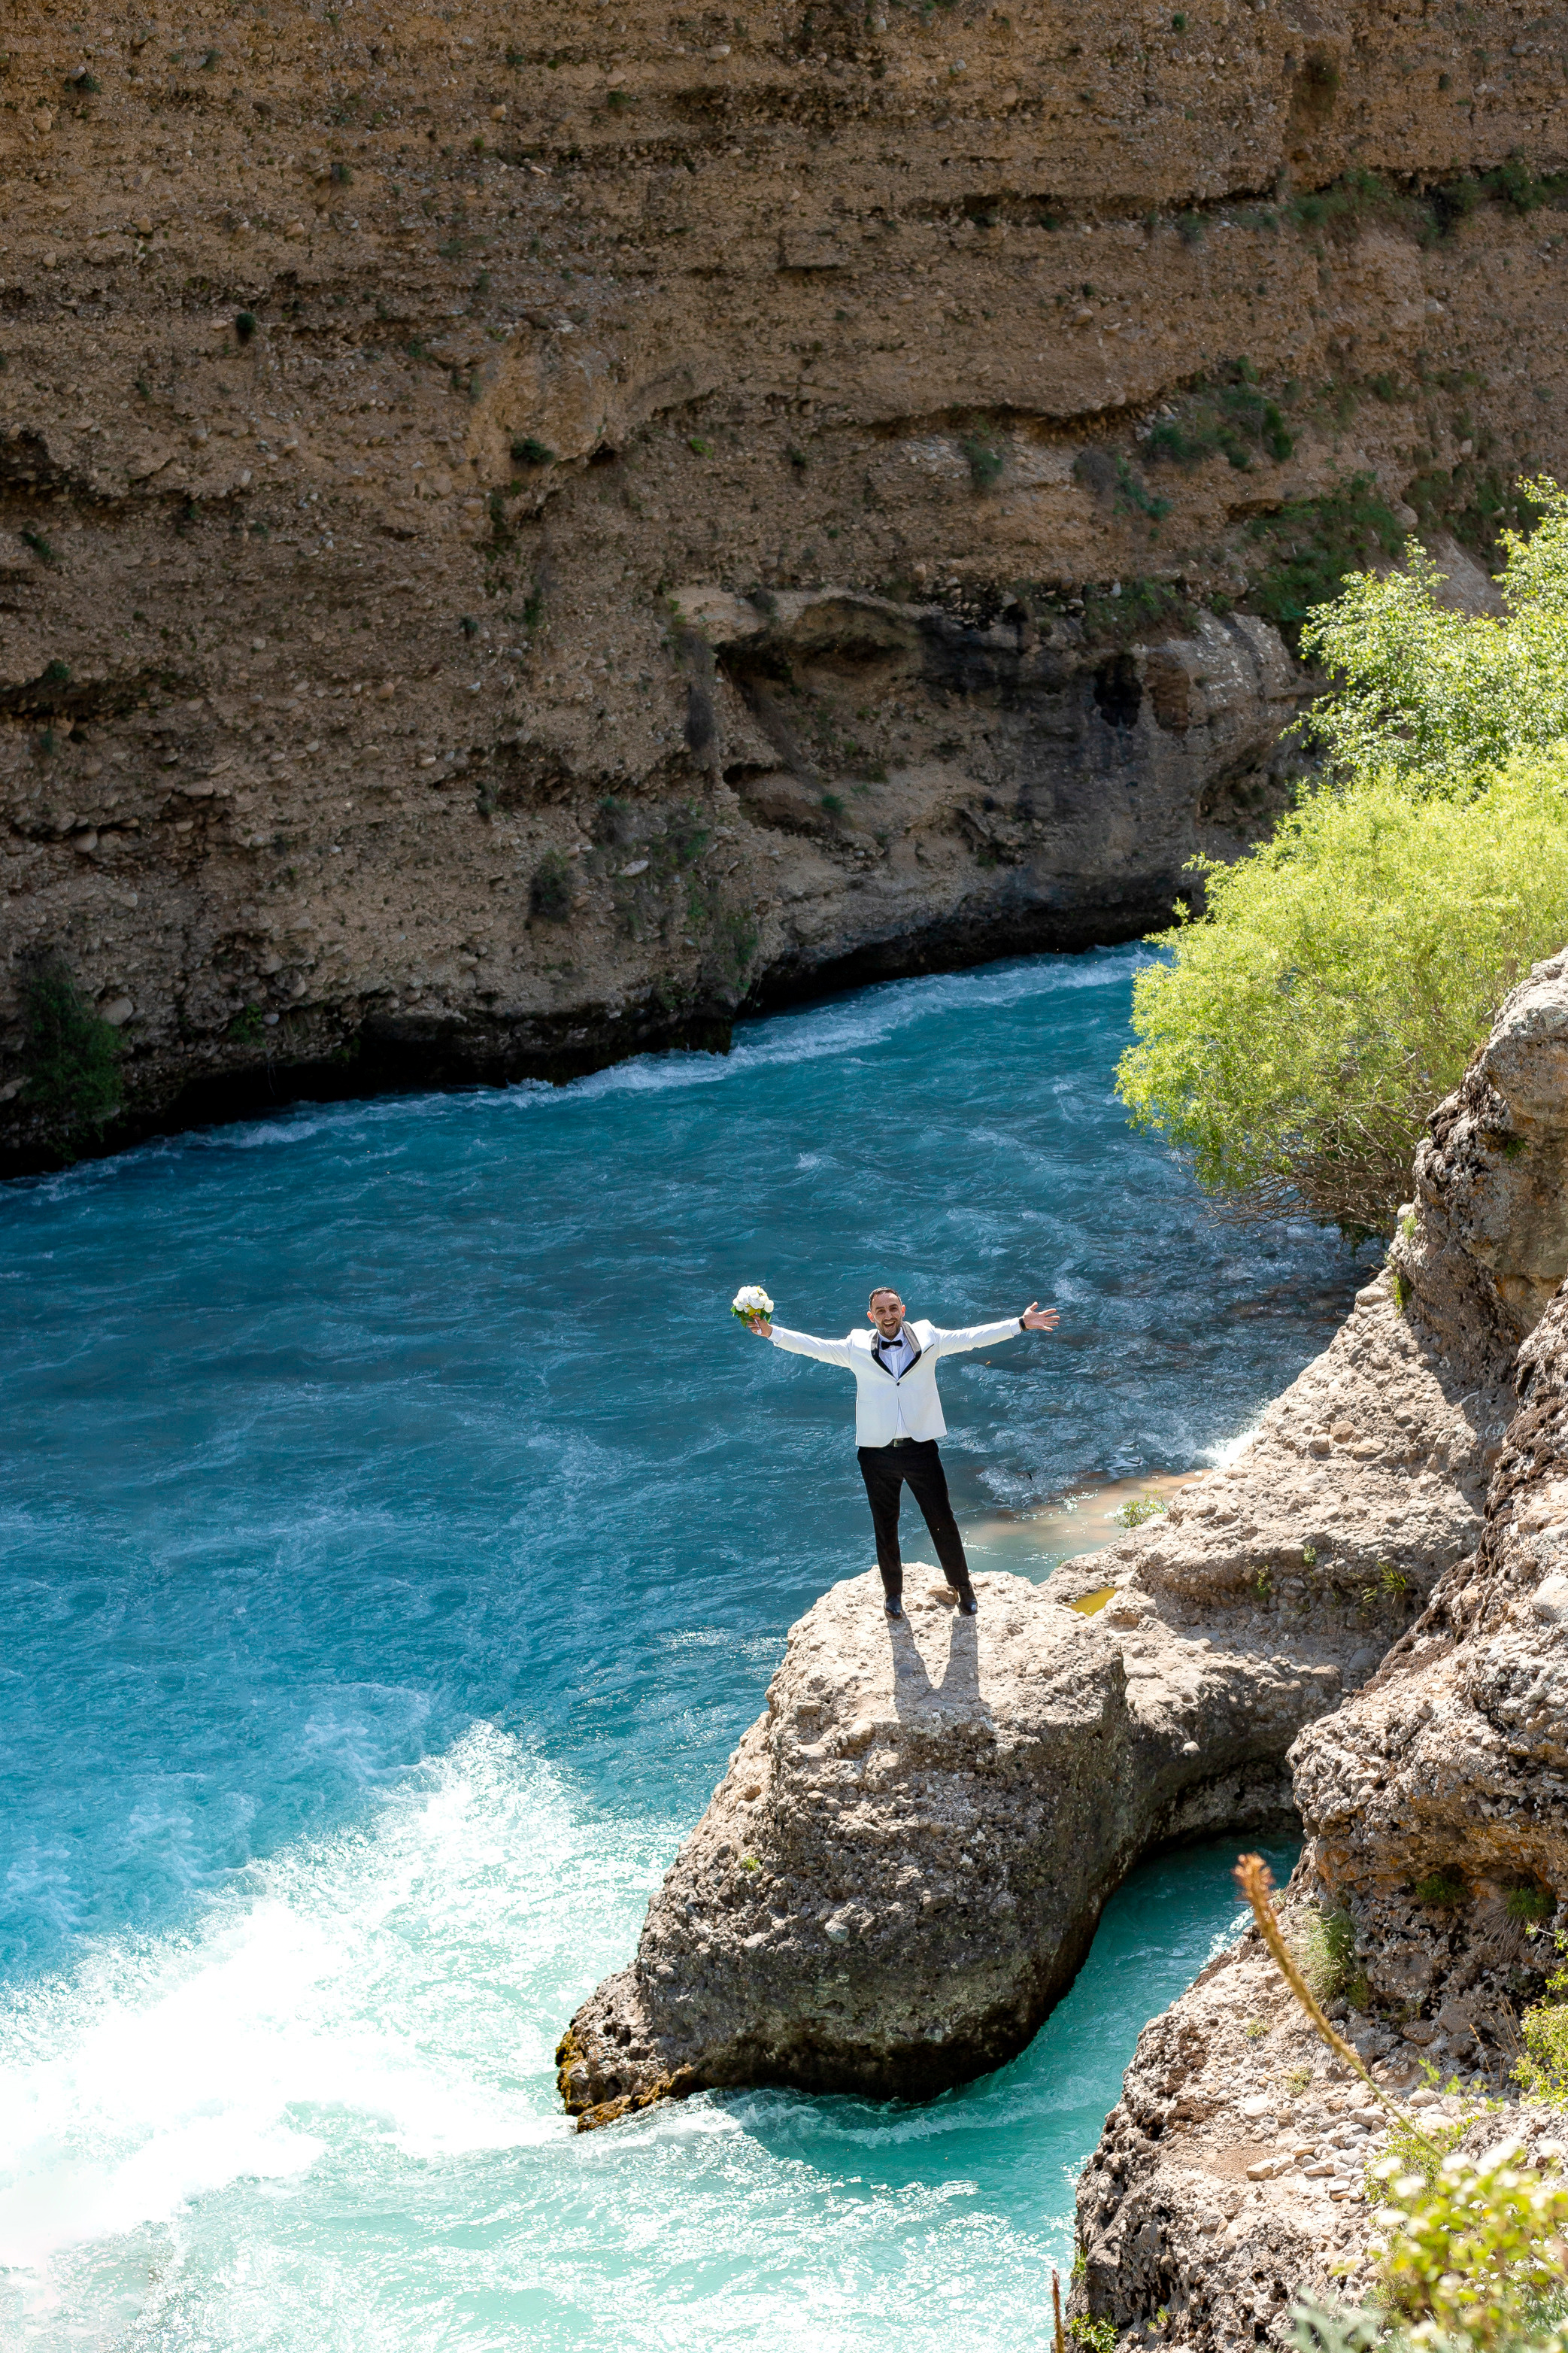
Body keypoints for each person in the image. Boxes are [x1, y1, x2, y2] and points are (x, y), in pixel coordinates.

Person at [745, 1285, 1059, 1618]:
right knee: (885, 1525)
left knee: (942, 1520)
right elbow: (814, 1347)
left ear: (903, 1310)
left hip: (920, 1448)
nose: (888, 1315)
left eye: (893, 1308)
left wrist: (1020, 1324)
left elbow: (972, 1338)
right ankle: (893, 1594)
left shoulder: (929, 1337)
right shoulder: (856, 1346)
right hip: (876, 1452)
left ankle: (963, 1587)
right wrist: (771, 1332)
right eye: (881, 1311)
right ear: (871, 1316)